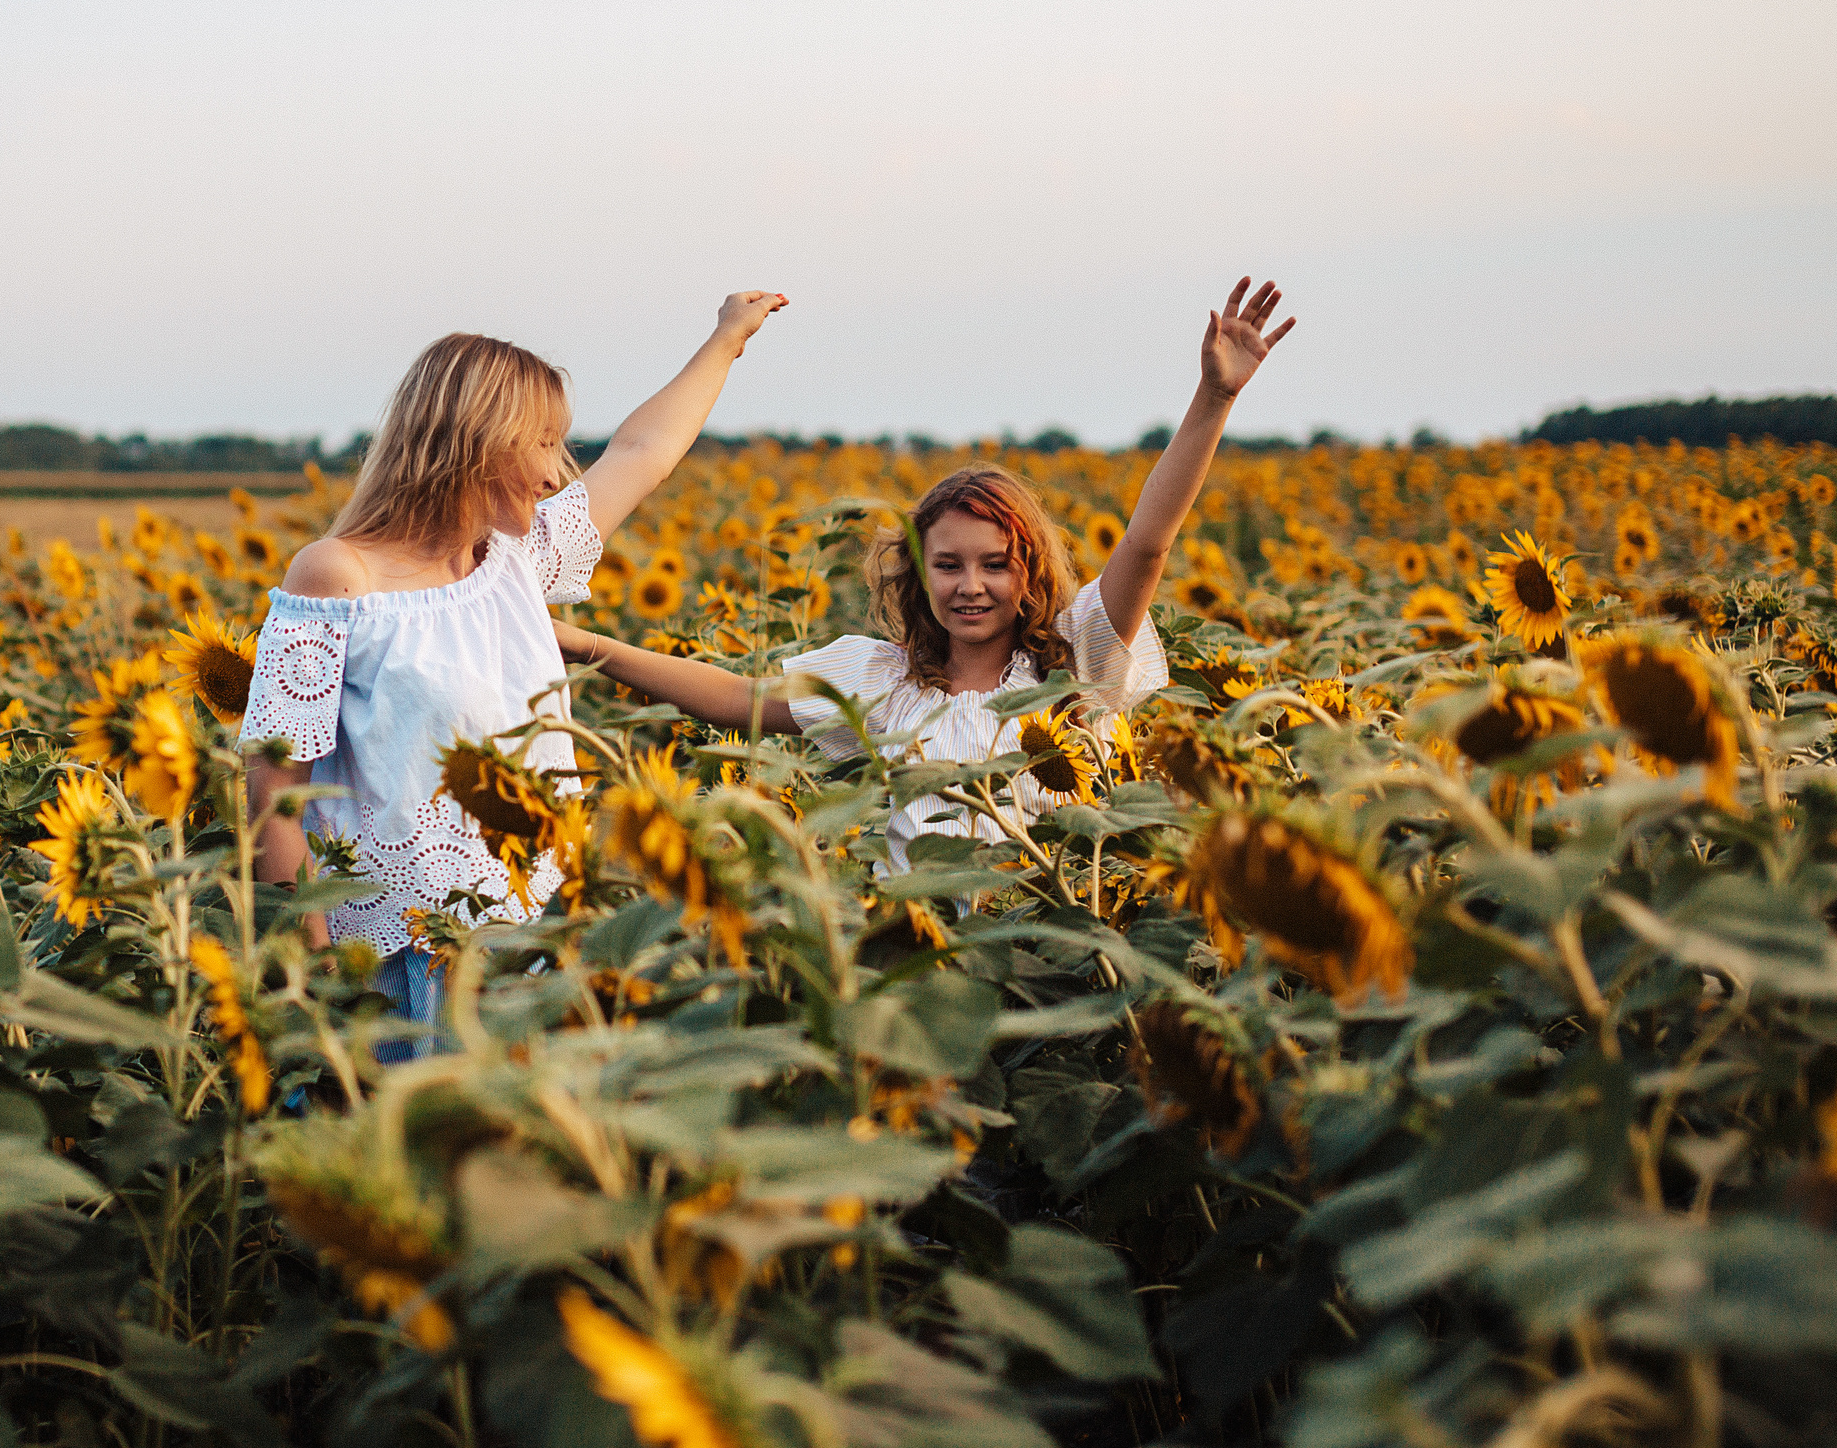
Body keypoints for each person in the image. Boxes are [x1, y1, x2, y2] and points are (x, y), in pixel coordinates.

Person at [556, 277, 1294, 870]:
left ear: (1029, 572)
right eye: (948, 565)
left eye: (994, 564)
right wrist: (586, 644)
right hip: (923, 960)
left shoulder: (1075, 665)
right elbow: (738, 698)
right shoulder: (886, 682)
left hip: (1044, 950)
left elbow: (1146, 544)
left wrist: (1215, 397)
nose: (970, 584)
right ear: (920, 575)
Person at [240, 293, 789, 1045]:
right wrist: (312, 989)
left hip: (532, 942)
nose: (553, 470)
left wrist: (727, 340)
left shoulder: (516, 564)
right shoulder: (338, 576)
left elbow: (642, 454)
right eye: (542, 442)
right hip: (398, 960)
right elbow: (276, 788)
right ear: (479, 443)